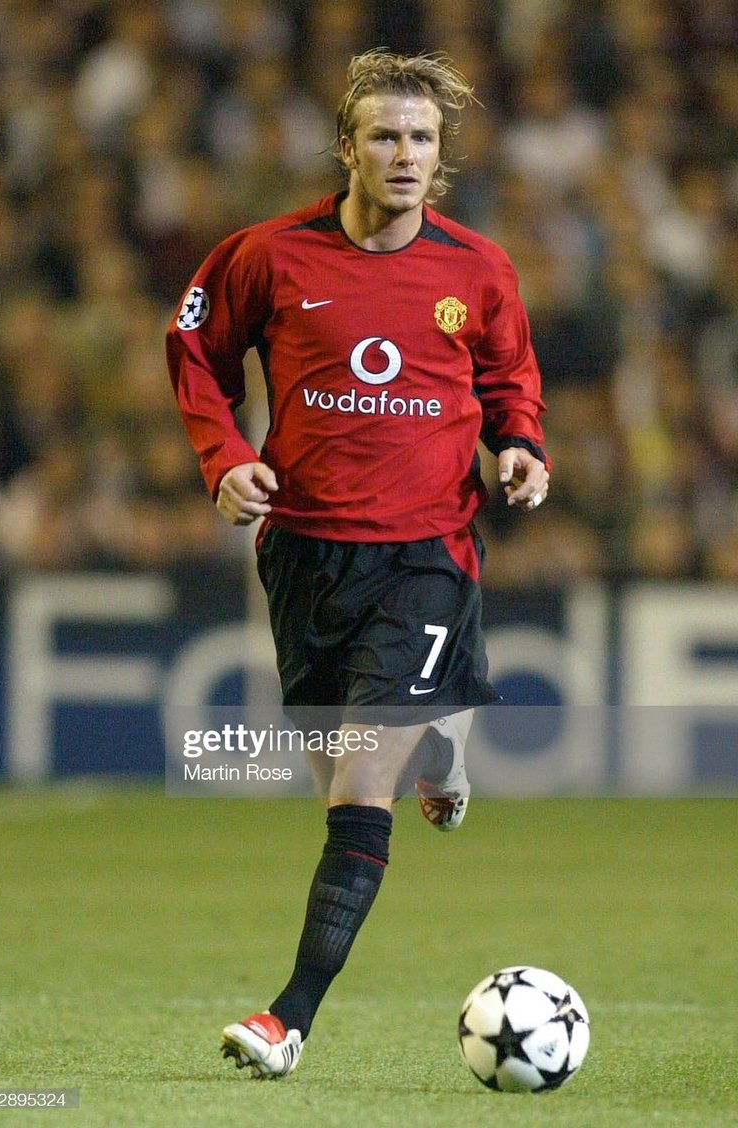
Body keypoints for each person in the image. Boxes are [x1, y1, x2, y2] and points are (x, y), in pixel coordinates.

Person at [166, 48, 551, 1080]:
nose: (406, 155)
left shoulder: (477, 269)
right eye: (385, 135)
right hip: (304, 555)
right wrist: (226, 456)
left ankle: (288, 1018)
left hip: (427, 550)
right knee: (339, 773)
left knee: (358, 785)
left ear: (441, 156)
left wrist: (521, 446)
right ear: (347, 148)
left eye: (423, 139)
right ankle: (445, 749)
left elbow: (512, 377)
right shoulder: (267, 257)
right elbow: (193, 348)